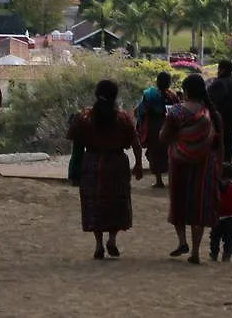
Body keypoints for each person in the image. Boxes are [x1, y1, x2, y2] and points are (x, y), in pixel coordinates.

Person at [67, 79, 143, 259]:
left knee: (94, 203)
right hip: (116, 164)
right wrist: (138, 164)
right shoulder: (123, 117)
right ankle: (112, 240)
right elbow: (136, 144)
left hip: (91, 163)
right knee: (116, 202)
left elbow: (74, 140)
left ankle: (98, 244)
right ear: (115, 96)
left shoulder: (85, 117)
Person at [161, 73, 222, 264]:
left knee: (178, 201)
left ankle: (182, 241)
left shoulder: (177, 112)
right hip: (204, 163)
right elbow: (217, 142)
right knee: (199, 204)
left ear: (185, 91)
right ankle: (195, 251)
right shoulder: (209, 113)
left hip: (179, 163)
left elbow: (163, 136)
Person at [136, 71, 179, 188]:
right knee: (169, 154)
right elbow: (178, 111)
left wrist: (140, 125)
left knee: (155, 154)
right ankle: (172, 180)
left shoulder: (149, 94)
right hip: (168, 128)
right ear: (169, 83)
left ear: (157, 81)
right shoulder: (173, 96)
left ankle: (159, 180)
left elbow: (141, 111)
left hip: (153, 128)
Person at [207, 60, 232, 163]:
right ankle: (227, 172)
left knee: (217, 154)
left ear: (222, 69)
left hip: (218, 123)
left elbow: (209, 103)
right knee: (228, 151)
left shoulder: (217, 83)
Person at [209, 163, 232, 262]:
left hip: (218, 216)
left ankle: (214, 253)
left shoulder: (216, 187)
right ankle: (227, 255)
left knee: (215, 237)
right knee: (229, 239)